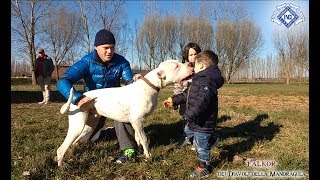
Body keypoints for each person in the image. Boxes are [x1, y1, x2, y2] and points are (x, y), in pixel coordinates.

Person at [57, 29, 138, 164]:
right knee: (86, 139)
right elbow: (63, 81)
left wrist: (136, 81)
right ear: (96, 47)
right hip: (92, 103)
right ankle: (107, 133)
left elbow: (130, 82)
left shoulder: (122, 62)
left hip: (114, 102)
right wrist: (78, 98)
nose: (109, 51)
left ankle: (129, 149)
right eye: (105, 48)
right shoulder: (86, 62)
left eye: (112, 47)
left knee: (123, 112)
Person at [163, 50, 224, 178]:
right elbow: (187, 94)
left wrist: (189, 114)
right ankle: (212, 139)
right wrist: (173, 100)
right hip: (195, 120)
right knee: (188, 132)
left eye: (195, 65)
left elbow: (202, 102)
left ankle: (204, 167)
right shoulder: (199, 79)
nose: (193, 67)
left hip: (203, 122)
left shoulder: (206, 81)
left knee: (201, 146)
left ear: (201, 65)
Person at [173, 43, 201, 149]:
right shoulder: (183, 69)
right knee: (186, 120)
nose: (193, 57)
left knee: (198, 120)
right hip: (185, 100)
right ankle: (186, 138)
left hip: (198, 100)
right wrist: (175, 100)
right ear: (186, 56)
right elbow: (178, 85)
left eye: (195, 54)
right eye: (191, 55)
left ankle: (196, 140)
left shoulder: (202, 68)